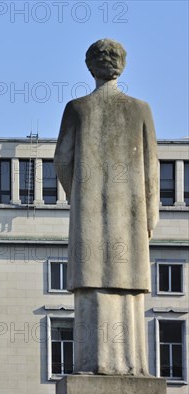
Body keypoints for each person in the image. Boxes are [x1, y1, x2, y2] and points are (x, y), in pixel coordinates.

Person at [54, 39, 159, 375]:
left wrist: (79, 197)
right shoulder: (139, 109)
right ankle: (132, 365)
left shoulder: (77, 108)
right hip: (130, 220)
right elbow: (151, 171)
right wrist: (150, 216)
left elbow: (62, 161)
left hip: (90, 220)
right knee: (126, 291)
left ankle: (95, 363)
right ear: (121, 66)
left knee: (94, 289)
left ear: (90, 66)